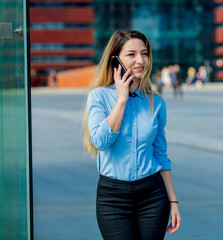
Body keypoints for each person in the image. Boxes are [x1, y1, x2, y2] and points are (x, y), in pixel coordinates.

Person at [83, 30, 181, 240]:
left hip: (153, 195)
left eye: (144, 53)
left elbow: (160, 155)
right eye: (131, 54)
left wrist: (173, 201)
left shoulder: (156, 103)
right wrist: (121, 100)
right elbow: (100, 142)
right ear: (116, 59)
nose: (140, 60)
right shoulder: (98, 96)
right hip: (113, 199)